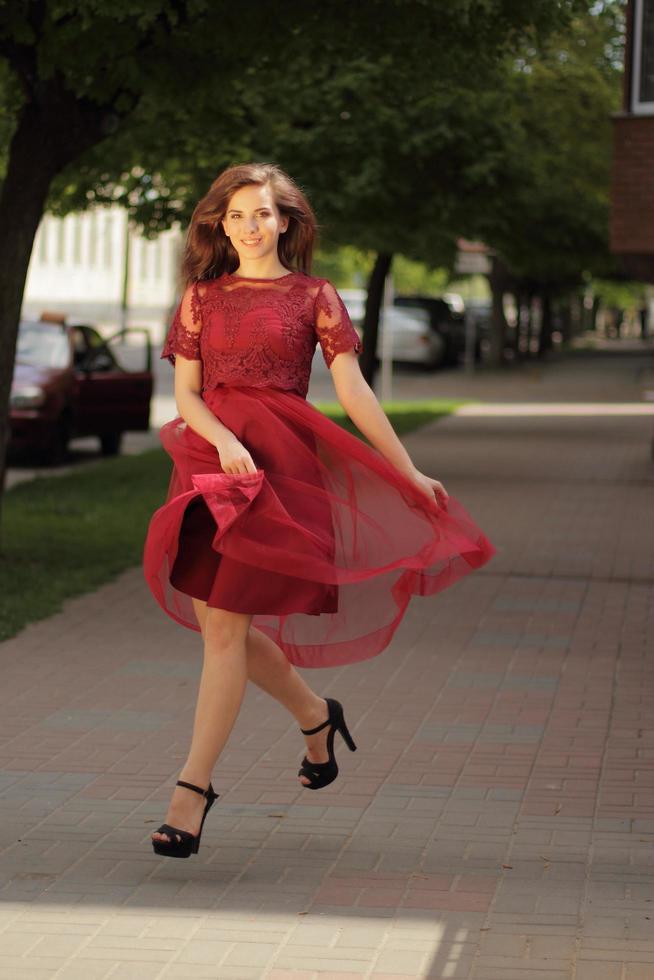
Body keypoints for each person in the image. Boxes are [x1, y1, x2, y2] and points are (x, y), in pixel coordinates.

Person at [143, 162, 495, 858]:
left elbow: (356, 393)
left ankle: (193, 790)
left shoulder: (315, 297)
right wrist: (222, 441)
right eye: (236, 215)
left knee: (225, 628)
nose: (249, 227)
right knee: (223, 624)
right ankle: (314, 714)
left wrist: (407, 468)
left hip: (281, 467)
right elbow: (187, 395)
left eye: (262, 214)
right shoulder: (200, 299)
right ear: (221, 222)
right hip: (214, 463)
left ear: (287, 221)